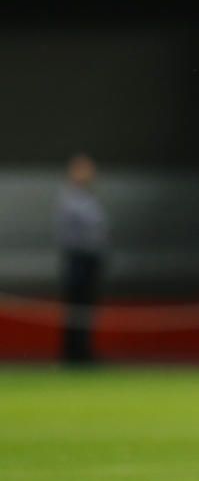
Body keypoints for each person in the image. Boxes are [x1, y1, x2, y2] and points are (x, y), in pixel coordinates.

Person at [55, 153, 108, 364]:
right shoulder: (69, 199)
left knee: (87, 309)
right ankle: (72, 354)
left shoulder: (90, 198)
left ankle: (84, 352)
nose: (89, 174)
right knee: (76, 308)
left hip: (91, 258)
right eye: (84, 169)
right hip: (77, 259)